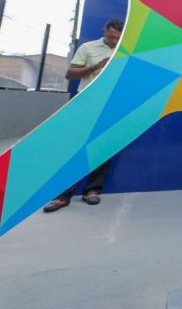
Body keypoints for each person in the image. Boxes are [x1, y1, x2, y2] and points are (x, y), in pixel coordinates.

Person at [43, 19, 124, 213]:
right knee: (75, 148)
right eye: (110, 36)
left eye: (117, 38)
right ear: (104, 31)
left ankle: (92, 191)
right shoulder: (88, 48)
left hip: (111, 104)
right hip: (87, 102)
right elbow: (70, 75)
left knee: (104, 147)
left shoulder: (126, 50)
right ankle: (63, 195)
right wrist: (95, 67)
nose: (113, 40)